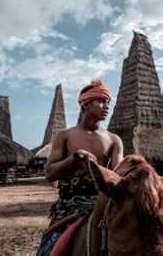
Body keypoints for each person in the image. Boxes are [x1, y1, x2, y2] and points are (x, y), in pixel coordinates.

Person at [37, 80, 123, 255]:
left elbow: (118, 177)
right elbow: (49, 173)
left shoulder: (114, 140)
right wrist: (74, 158)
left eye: (108, 102)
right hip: (69, 206)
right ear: (85, 104)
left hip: (102, 205)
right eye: (101, 100)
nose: (106, 106)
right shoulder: (65, 135)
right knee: (48, 249)